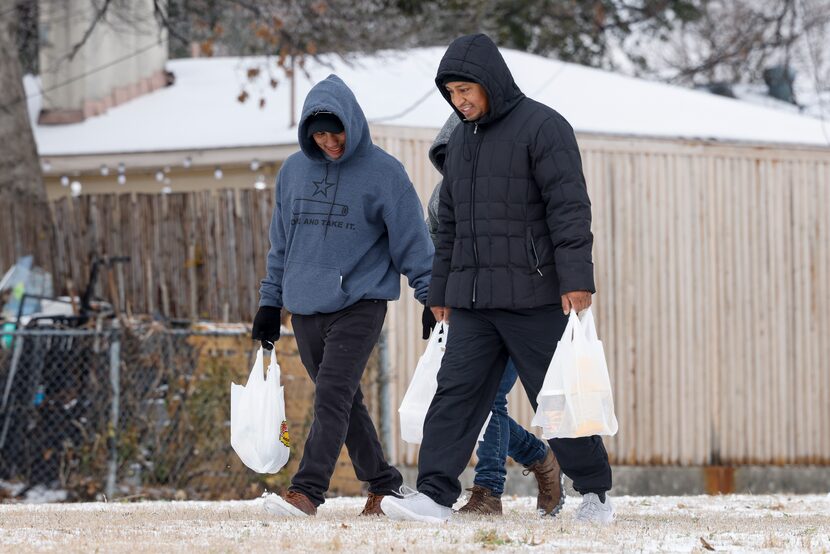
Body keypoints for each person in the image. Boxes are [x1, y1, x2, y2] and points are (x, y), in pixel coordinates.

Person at [382, 34, 614, 524]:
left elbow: (569, 209)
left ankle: (594, 492)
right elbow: (450, 228)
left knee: (557, 398)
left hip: (534, 295)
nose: (459, 101)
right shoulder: (460, 143)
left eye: (466, 89)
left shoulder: (544, 127)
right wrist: (440, 293)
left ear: (490, 81)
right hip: (472, 300)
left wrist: (577, 280)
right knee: (455, 395)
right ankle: (434, 496)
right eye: (451, 94)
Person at [251, 74, 434, 518]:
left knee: (332, 394)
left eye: (337, 132)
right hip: (305, 307)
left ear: (353, 123)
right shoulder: (293, 171)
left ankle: (307, 492)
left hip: (361, 303)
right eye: (319, 134)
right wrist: (269, 302)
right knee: (345, 401)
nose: (330, 141)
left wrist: (430, 294)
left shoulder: (385, 173)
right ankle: (385, 486)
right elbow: (281, 243)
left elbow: (412, 240)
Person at [425, 113, 564, 517]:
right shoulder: (440, 200)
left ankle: (488, 490)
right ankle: (539, 456)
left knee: (493, 400)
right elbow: (442, 255)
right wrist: (433, 301)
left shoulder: (518, 190)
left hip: (522, 306)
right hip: (470, 312)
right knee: (478, 402)